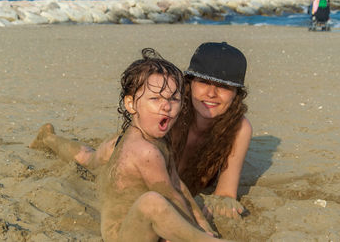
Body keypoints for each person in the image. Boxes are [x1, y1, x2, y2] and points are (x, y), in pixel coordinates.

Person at [30, 48, 233, 242]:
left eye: (174, 98)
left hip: (138, 218)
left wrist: (203, 226)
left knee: (89, 157)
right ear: (130, 104)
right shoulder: (145, 151)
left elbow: (177, 184)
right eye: (155, 98)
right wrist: (195, 232)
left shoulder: (156, 137)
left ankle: (48, 138)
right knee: (152, 202)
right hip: (123, 234)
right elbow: (170, 196)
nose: (167, 106)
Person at [170, 42, 252, 220]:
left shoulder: (239, 128)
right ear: (190, 83)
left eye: (223, 86)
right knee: (101, 156)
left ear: (236, 94)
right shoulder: (171, 116)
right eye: (204, 82)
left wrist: (224, 202)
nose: (211, 93)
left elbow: (225, 193)